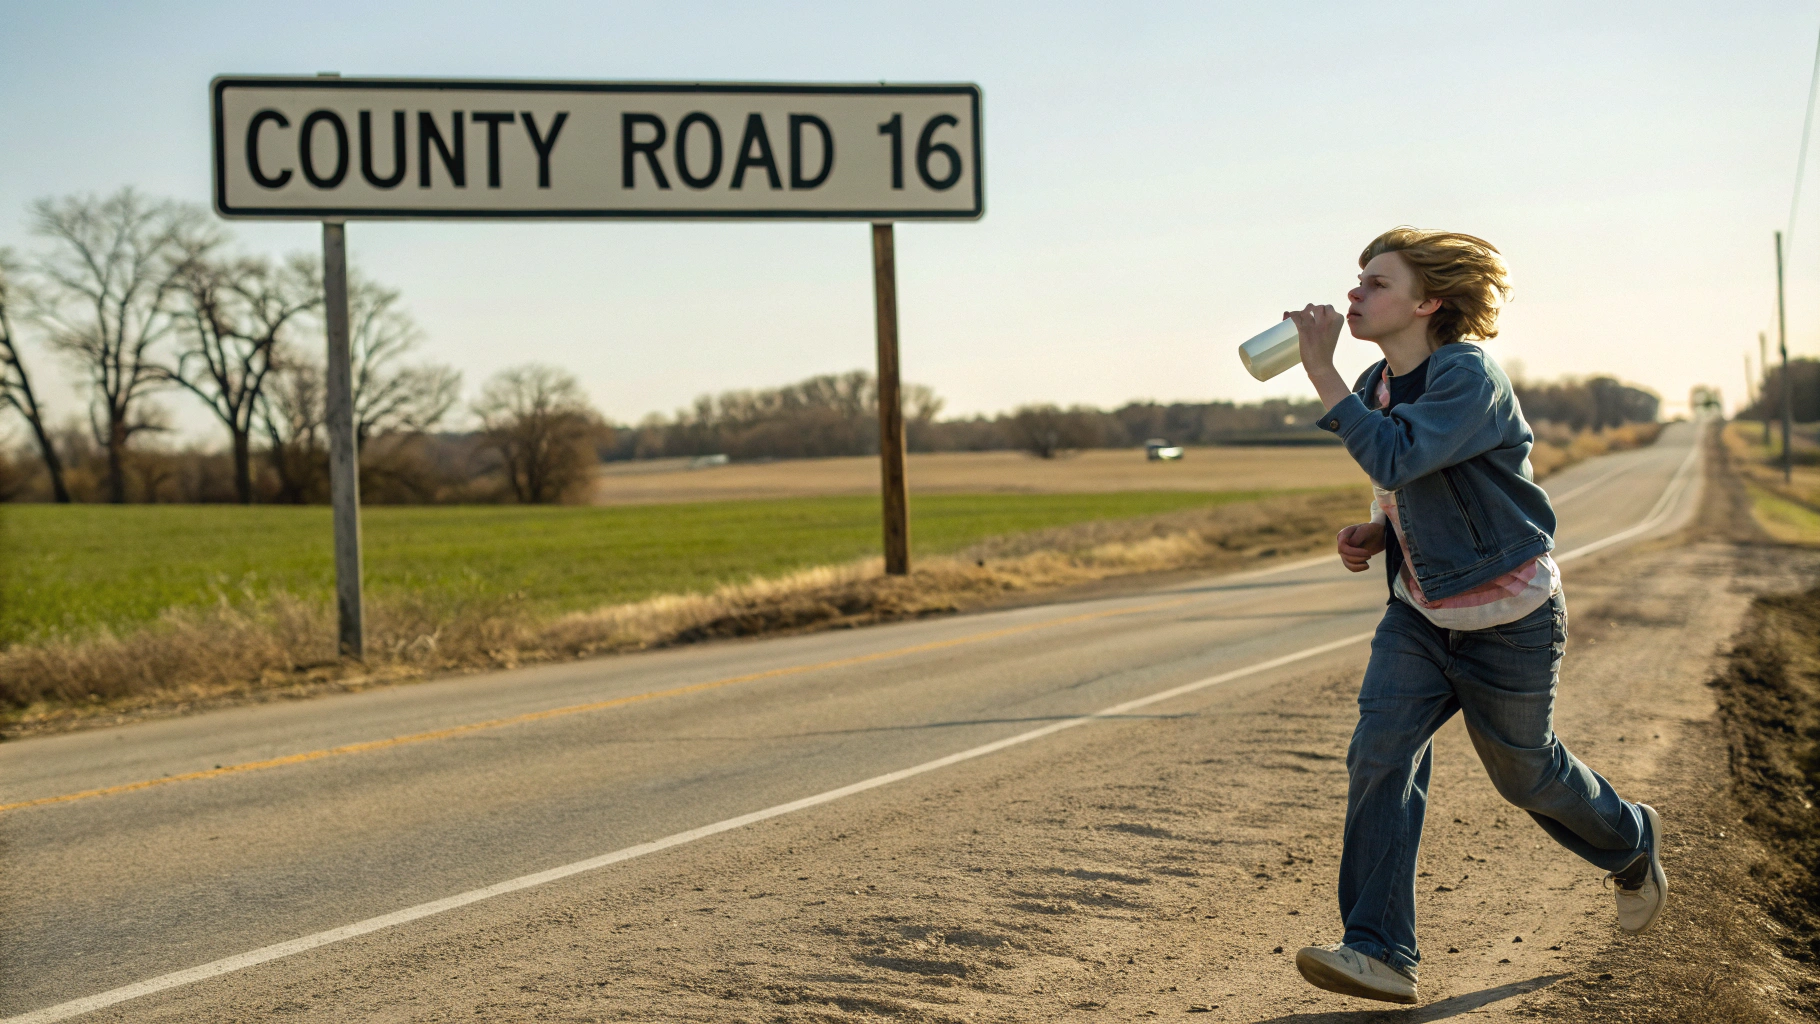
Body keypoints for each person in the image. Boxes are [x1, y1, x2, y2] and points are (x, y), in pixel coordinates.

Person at [1280, 228, 1665, 1005]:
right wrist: (1381, 530)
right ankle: (1380, 951)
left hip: (1510, 617)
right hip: (1421, 617)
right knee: (1379, 753)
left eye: (1377, 283)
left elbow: (1399, 454)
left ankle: (1630, 840)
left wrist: (1317, 369)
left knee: (1527, 776)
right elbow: (1401, 480)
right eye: (1358, 279)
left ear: (1428, 302)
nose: (1355, 293)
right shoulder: (1376, 381)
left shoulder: (1468, 374)